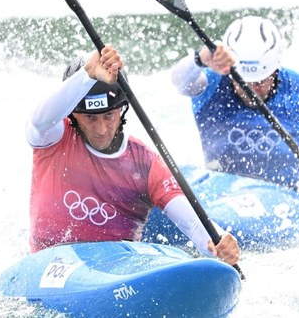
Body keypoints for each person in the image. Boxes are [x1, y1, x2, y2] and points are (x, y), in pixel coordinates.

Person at [25, 44, 240, 265]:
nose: (101, 129)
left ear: (122, 110)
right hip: (48, 266)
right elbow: (39, 121)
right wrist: (87, 75)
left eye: (108, 115)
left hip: (118, 271)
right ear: (74, 115)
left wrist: (218, 240)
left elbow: (193, 223)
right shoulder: (53, 139)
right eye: (90, 118)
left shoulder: (145, 164)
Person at [171, 16, 299, 212]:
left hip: (286, 203)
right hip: (221, 196)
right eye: (243, 82)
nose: (252, 90)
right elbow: (179, 82)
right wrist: (201, 58)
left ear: (275, 70)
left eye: (260, 81)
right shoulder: (211, 84)